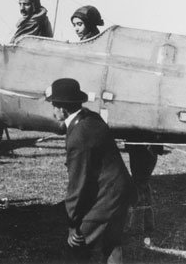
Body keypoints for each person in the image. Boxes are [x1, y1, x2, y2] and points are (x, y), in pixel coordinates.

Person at [45, 78, 135, 263]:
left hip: (108, 196)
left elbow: (77, 184)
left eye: (54, 105)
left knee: (77, 246)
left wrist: (73, 224)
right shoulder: (91, 117)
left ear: (63, 108)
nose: (53, 110)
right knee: (112, 243)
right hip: (121, 190)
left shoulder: (78, 136)